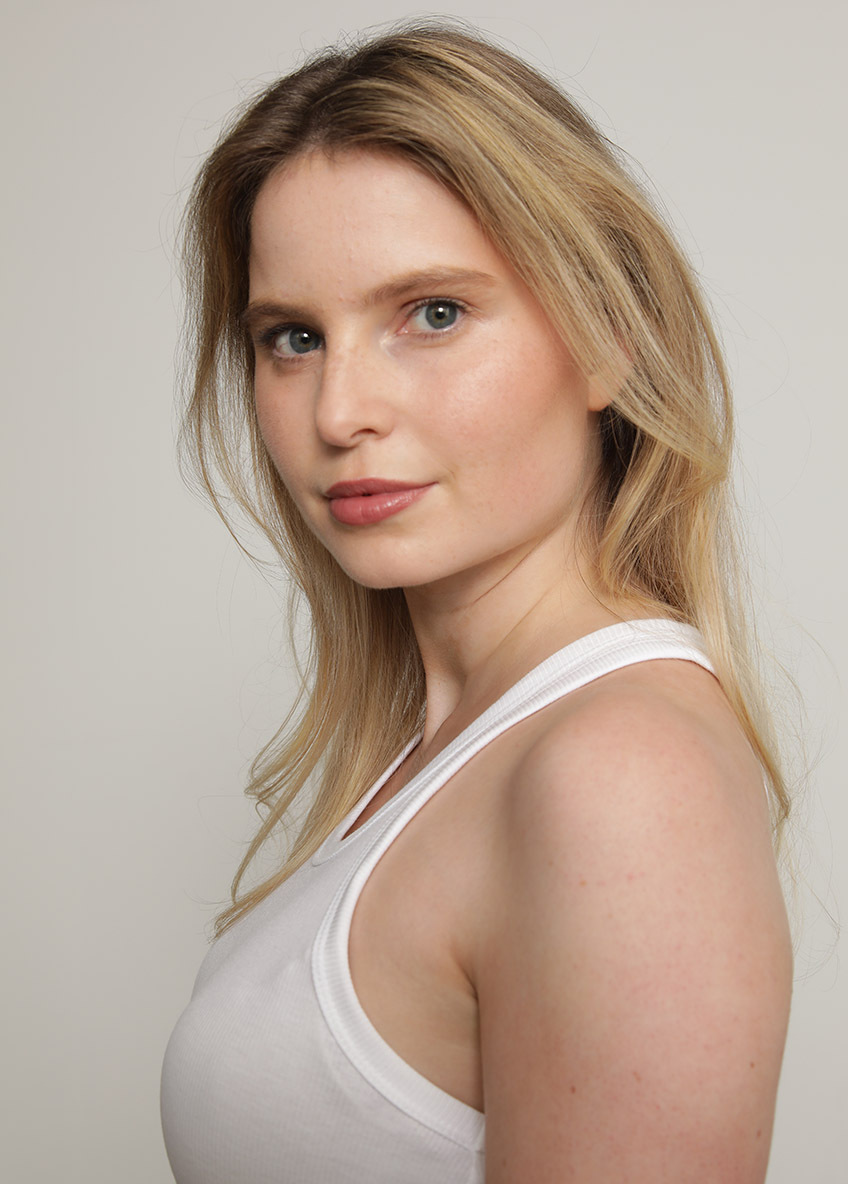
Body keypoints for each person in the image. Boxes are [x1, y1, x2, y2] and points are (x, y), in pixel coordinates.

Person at [161, 22, 793, 1183]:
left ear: (605, 337)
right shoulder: (449, 751)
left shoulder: (618, 773)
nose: (338, 410)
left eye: (432, 313)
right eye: (292, 337)